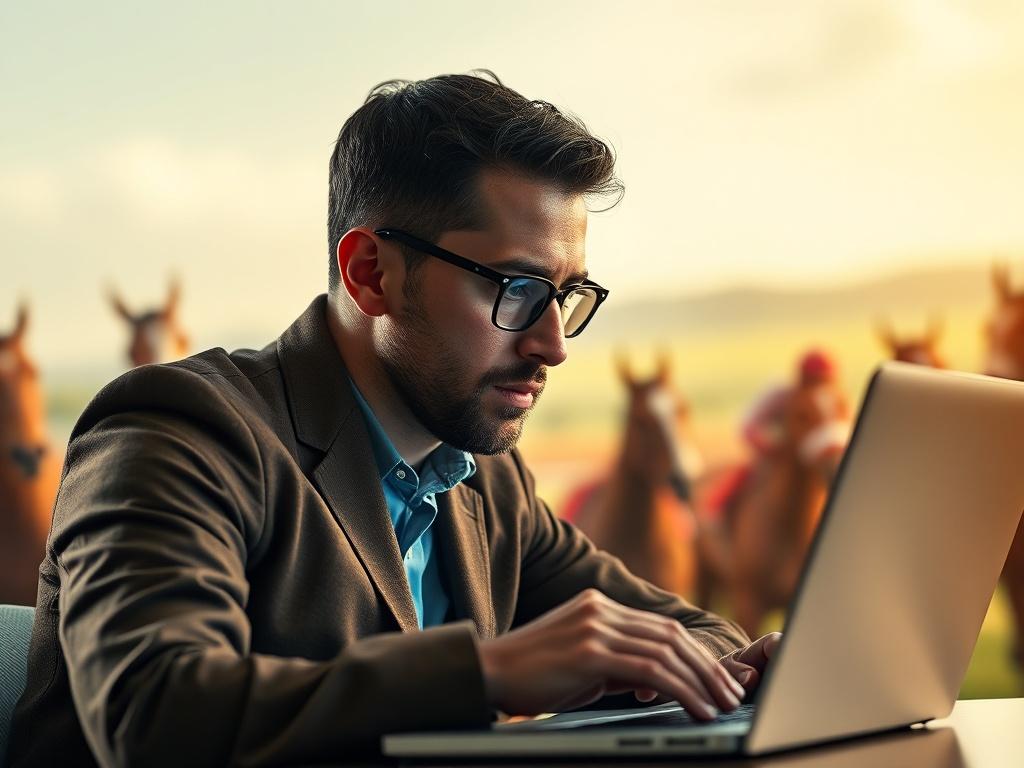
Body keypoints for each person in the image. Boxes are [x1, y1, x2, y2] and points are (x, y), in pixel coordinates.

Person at [9, 72, 780, 768]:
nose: (553, 345)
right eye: (515, 289)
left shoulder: (486, 479)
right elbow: (154, 717)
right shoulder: (176, 432)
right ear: (370, 273)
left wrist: (739, 670)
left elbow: (689, 634)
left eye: (568, 295)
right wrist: (489, 671)